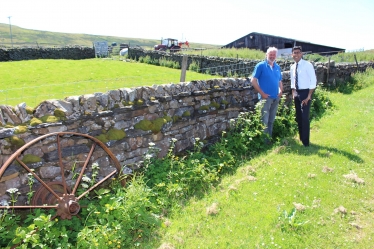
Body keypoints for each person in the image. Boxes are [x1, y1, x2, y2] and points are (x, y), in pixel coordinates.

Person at [251, 47, 283, 142]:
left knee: (271, 120)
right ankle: (264, 143)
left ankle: (269, 139)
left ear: (276, 56)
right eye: (270, 54)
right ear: (266, 55)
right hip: (265, 98)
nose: (272, 56)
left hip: (276, 97)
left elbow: (279, 81)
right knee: (264, 121)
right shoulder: (260, 66)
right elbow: (253, 80)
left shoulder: (277, 67)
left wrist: (281, 90)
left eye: (274, 54)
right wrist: (262, 93)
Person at [290, 46, 317, 147]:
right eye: (294, 53)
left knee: (305, 117)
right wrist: (293, 93)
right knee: (299, 117)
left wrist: (309, 95)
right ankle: (301, 138)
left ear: (301, 54)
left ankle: (306, 142)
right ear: (292, 55)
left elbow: (313, 81)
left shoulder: (307, 65)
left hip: (306, 92)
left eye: (298, 53)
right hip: (297, 93)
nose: (296, 55)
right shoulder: (292, 67)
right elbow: (293, 81)